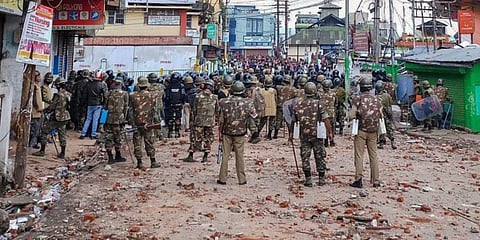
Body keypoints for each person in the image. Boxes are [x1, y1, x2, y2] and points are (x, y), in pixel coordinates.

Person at [289, 82, 333, 187]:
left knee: (305, 156)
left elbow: (293, 121)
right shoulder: (319, 104)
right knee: (320, 156)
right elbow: (325, 119)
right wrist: (330, 132)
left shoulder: (298, 104)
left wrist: (291, 134)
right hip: (317, 134)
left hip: (304, 134)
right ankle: (321, 178)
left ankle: (308, 179)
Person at [217, 81, 257, 185]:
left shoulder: (224, 102)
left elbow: (221, 120)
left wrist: (220, 133)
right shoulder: (248, 103)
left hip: (227, 132)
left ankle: (222, 178)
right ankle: (242, 179)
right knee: (240, 156)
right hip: (240, 132)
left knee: (225, 155)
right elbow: (254, 115)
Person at [349, 77, 383, 188]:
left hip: (361, 130)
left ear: (361, 87)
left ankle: (358, 179)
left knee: (359, 155)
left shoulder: (357, 99)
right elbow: (381, 115)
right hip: (374, 131)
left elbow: (351, 115)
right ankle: (376, 180)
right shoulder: (378, 100)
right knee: (373, 155)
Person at [32, 77, 71, 158]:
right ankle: (62, 153)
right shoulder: (68, 94)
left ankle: (42, 151)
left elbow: (52, 107)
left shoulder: (58, 95)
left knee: (44, 131)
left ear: (58, 85)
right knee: (62, 134)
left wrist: (43, 110)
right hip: (64, 117)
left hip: (56, 118)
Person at [183, 80, 218, 163]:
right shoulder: (215, 97)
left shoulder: (198, 96)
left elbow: (194, 109)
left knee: (196, 138)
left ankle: (191, 155)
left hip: (199, 121)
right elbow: (217, 110)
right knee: (208, 138)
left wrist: (193, 119)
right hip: (210, 122)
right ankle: (205, 156)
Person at [128, 77, 159, 169]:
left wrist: (132, 123)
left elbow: (130, 110)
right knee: (149, 142)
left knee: (137, 143)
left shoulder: (132, 95)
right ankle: (153, 161)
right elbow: (154, 111)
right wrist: (154, 122)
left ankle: (139, 162)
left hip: (137, 123)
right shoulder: (152, 96)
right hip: (148, 124)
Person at [104, 77, 129, 164]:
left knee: (108, 138)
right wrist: (124, 118)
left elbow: (105, 107)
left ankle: (110, 157)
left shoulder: (108, 93)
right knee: (118, 137)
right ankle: (118, 155)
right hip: (119, 119)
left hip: (109, 118)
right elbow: (126, 107)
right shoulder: (125, 94)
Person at [79, 71, 108, 139]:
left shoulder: (89, 84)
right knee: (95, 119)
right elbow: (105, 95)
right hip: (98, 104)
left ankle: (83, 134)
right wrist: (104, 103)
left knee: (88, 119)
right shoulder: (102, 85)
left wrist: (83, 103)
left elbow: (85, 95)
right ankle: (93, 134)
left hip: (90, 104)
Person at [375, 81, 397, 150]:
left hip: (380, 115)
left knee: (381, 128)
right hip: (387, 114)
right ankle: (392, 142)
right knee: (389, 128)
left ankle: (381, 143)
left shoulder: (376, 97)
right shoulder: (387, 95)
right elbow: (390, 104)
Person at [164, 72, 186, 138]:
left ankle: (170, 133)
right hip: (179, 105)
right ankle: (177, 132)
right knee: (178, 118)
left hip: (170, 105)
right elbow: (183, 95)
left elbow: (166, 96)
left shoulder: (168, 86)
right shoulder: (181, 86)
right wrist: (182, 102)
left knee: (170, 119)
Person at [318, 79, 337, 147]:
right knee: (331, 127)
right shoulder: (333, 94)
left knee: (324, 127)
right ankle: (332, 141)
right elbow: (336, 103)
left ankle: (325, 142)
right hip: (331, 112)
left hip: (322, 112)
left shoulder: (319, 94)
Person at [147, 72, 165, 140]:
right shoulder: (161, 86)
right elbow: (163, 95)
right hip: (159, 105)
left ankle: (151, 135)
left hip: (148, 106)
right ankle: (159, 134)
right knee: (158, 120)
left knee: (149, 121)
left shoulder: (147, 86)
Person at [30, 71, 43, 149]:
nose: (40, 78)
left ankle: (34, 143)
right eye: (38, 76)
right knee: (35, 129)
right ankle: (32, 144)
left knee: (37, 129)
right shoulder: (34, 87)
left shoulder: (37, 86)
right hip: (35, 111)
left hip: (38, 111)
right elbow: (35, 99)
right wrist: (38, 107)